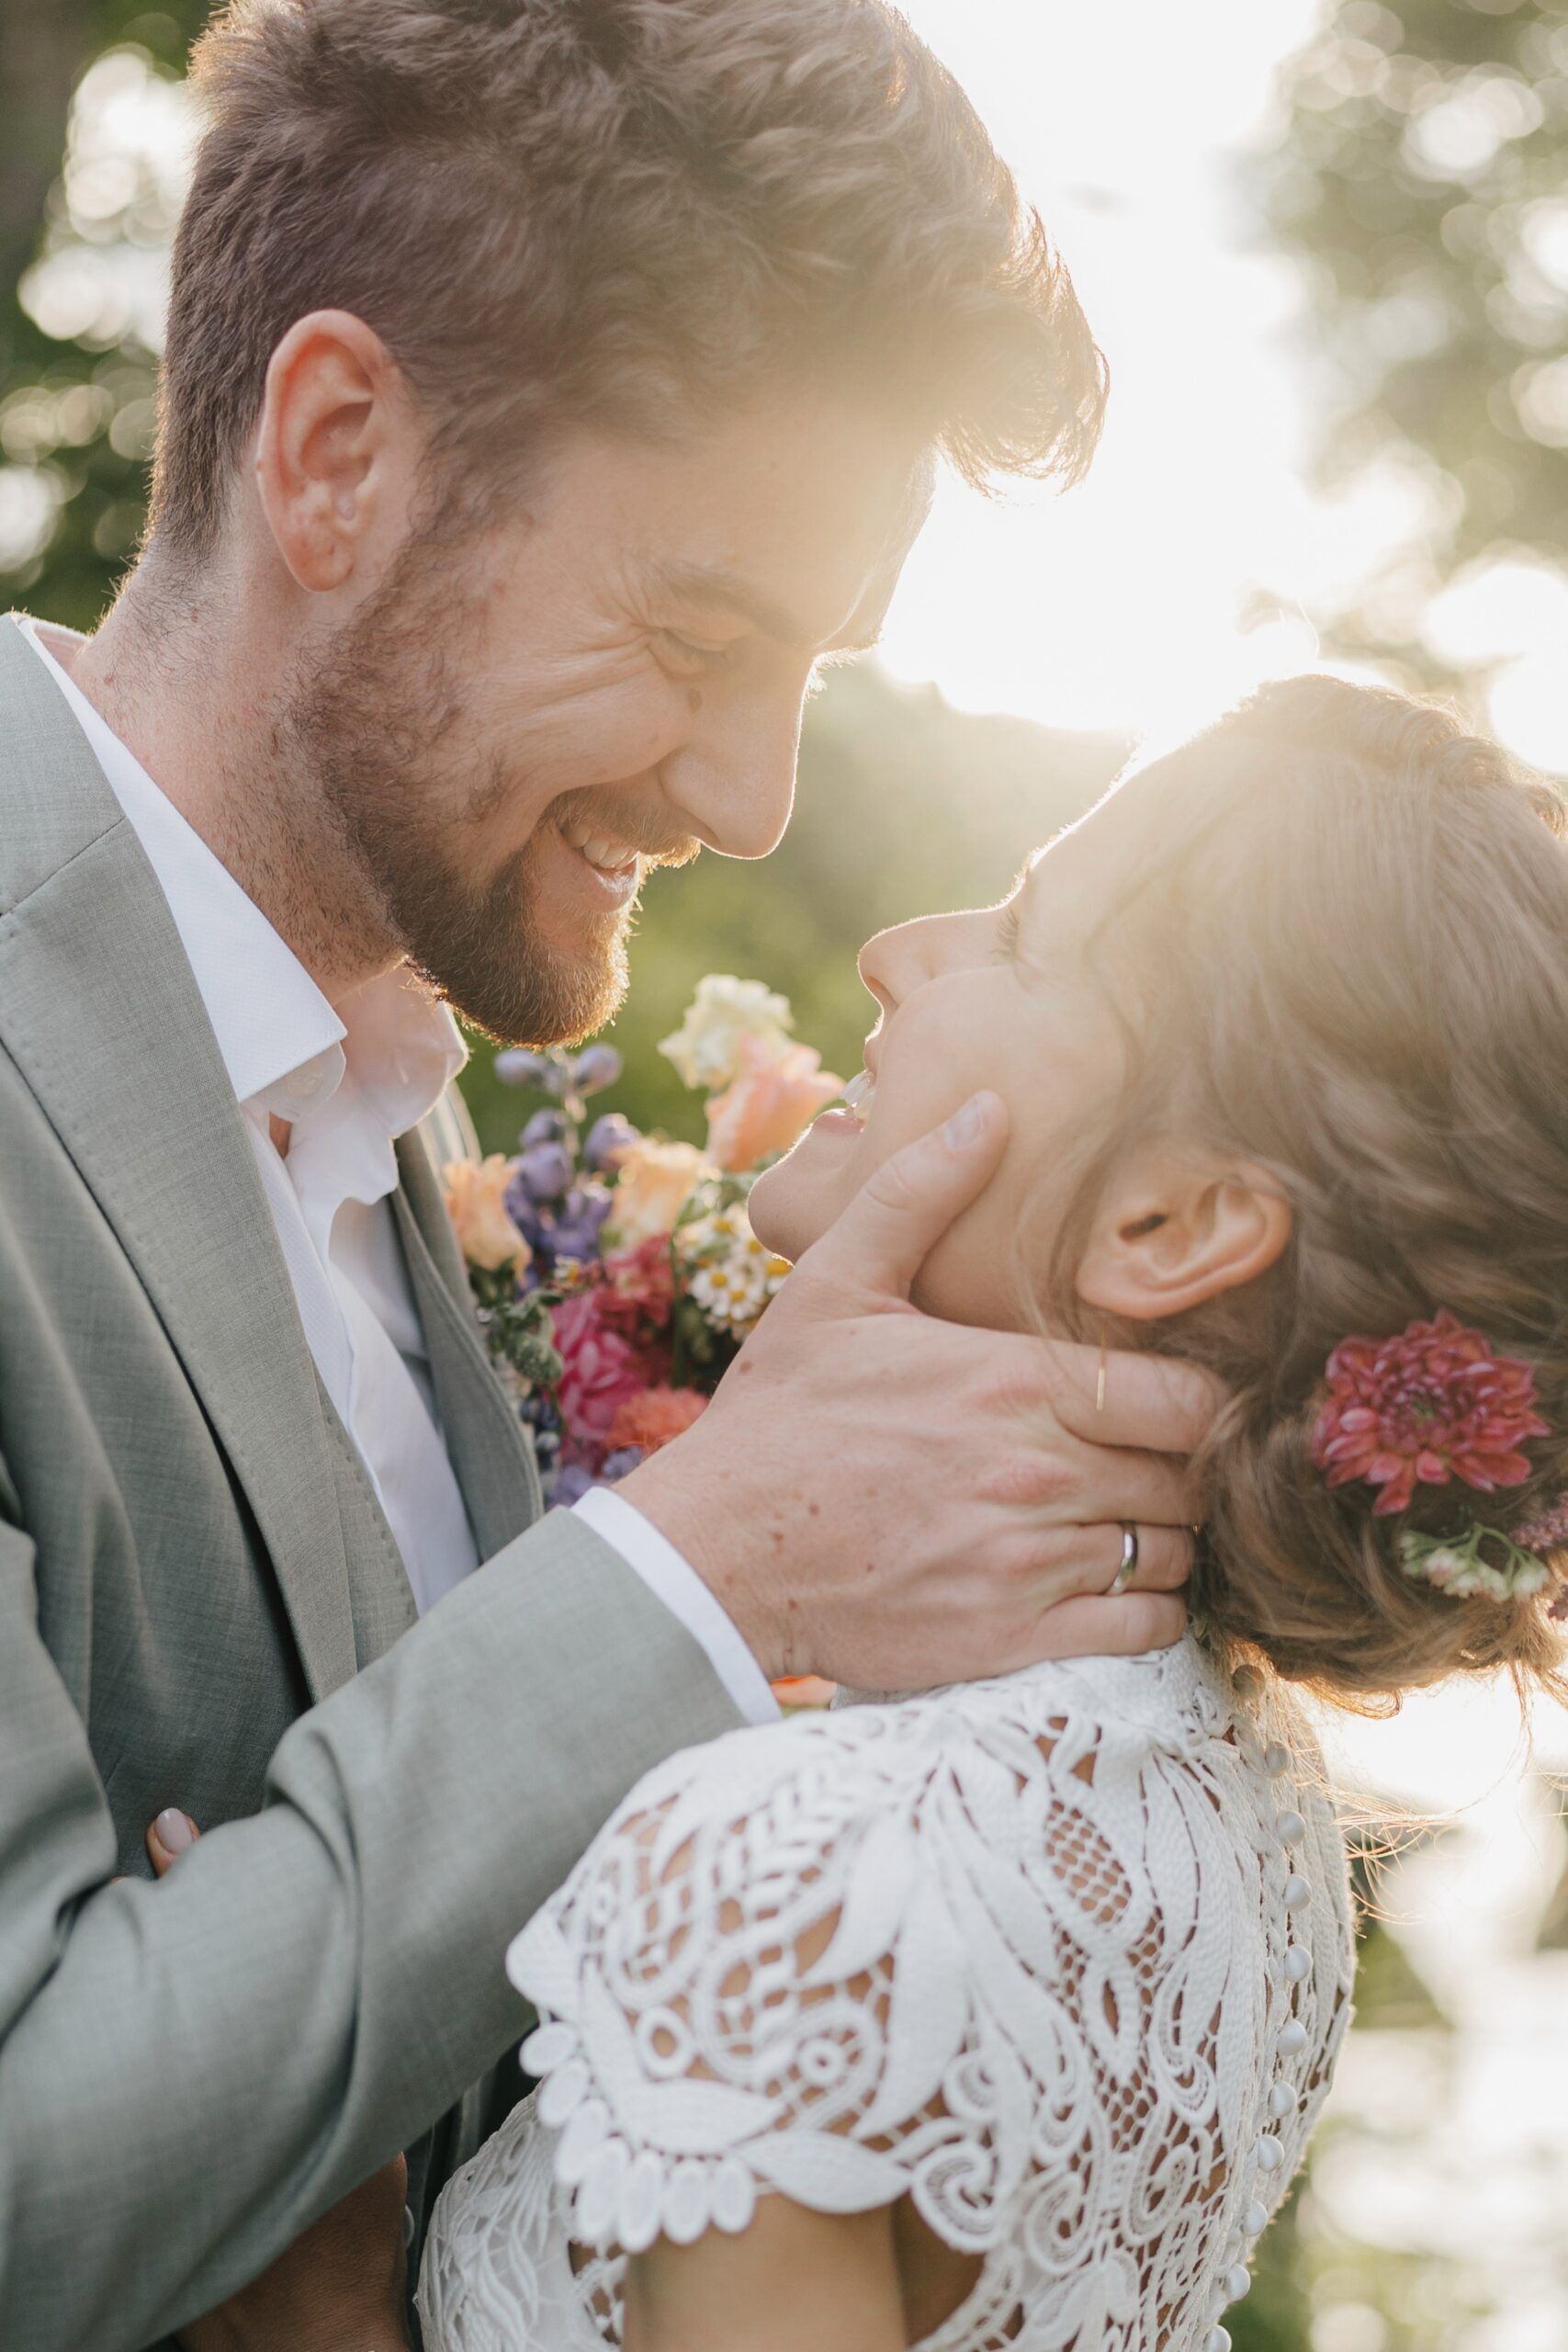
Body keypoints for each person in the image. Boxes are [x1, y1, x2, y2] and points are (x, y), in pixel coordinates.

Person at [0, 5, 1209, 2347]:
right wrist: (705, 1552)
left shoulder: (405, 1088)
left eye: (811, 674)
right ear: (336, 453)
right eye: (694, 636)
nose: (756, 796)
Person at [412, 678, 1568, 2351]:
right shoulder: (1250, 1833)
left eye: (1023, 937)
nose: (897, 954)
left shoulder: (795, 1873)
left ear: (1168, 1225)